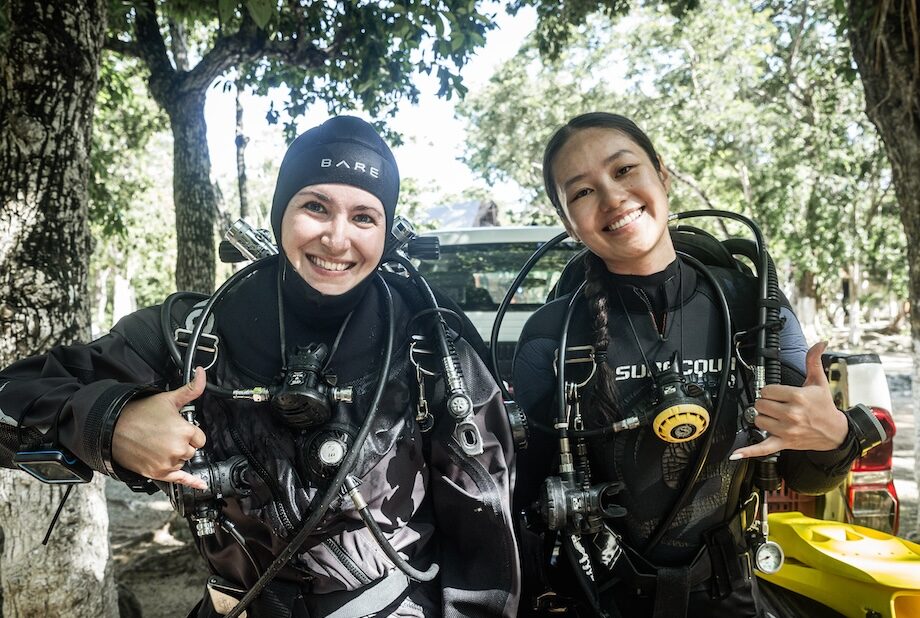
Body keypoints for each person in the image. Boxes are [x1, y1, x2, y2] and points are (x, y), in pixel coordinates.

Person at [0, 116, 520, 617]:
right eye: (316, 206)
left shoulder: (430, 341)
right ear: (279, 213)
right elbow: (13, 396)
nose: (338, 239)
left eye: (364, 217)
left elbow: (487, 530)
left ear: (386, 233)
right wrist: (112, 422)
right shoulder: (190, 336)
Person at [512, 112, 884, 617]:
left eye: (623, 170)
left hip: (726, 592)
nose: (613, 197)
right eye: (582, 191)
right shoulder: (550, 337)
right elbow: (528, 502)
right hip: (598, 599)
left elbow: (807, 475)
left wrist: (837, 434)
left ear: (661, 175)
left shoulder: (752, 307)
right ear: (568, 222)